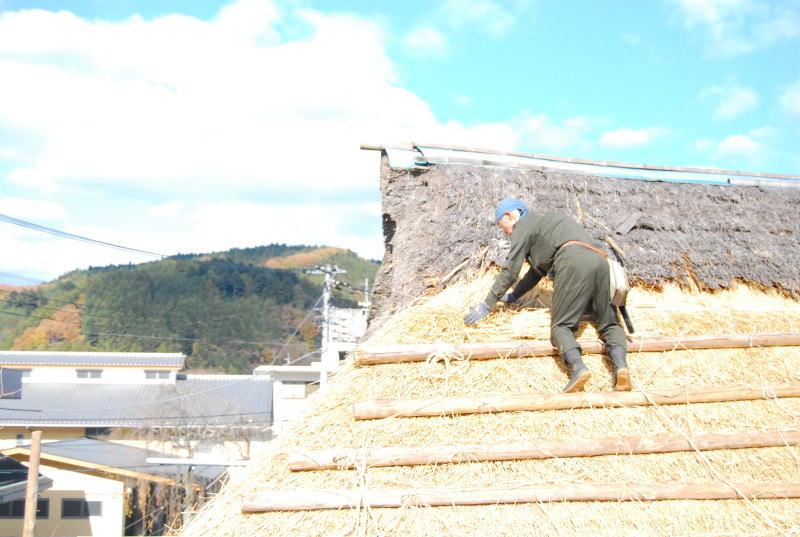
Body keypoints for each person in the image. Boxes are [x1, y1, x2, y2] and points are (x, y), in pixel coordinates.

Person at [464, 198, 631, 393]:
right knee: (609, 322)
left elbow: (510, 270)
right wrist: (513, 296)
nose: (506, 232)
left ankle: (579, 368)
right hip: (602, 262)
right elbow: (536, 272)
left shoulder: (523, 226)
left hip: (573, 260)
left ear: (509, 215)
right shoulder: (548, 220)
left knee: (561, 327)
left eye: (503, 226)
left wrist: (488, 303)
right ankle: (622, 368)